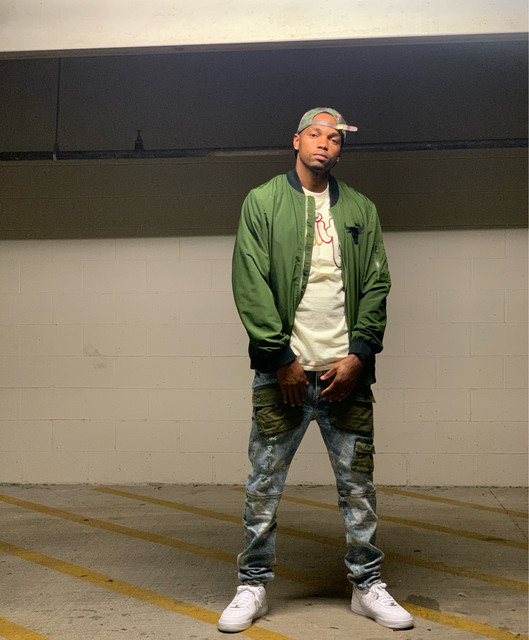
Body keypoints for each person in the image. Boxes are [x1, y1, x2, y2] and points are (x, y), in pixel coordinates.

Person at [218, 108, 413, 633]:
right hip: (282, 375)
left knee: (358, 487)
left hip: (345, 375)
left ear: (340, 150)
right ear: (297, 141)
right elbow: (249, 280)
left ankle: (367, 586)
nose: (325, 144)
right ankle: (252, 586)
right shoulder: (263, 201)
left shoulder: (360, 208)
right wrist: (280, 358)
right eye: (315, 135)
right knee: (263, 486)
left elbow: (377, 283)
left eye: (335, 139)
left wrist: (360, 355)